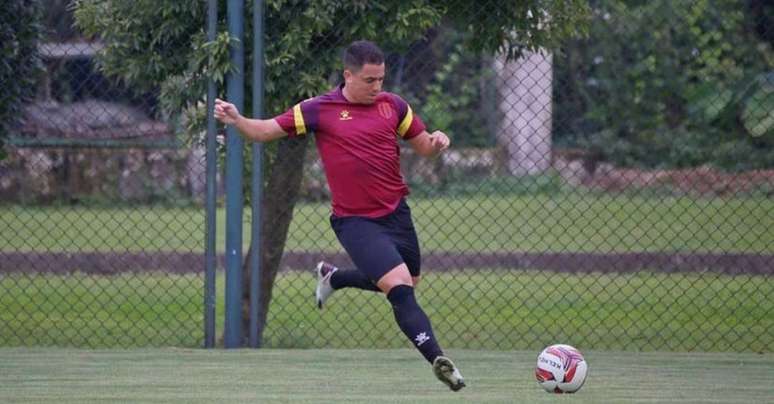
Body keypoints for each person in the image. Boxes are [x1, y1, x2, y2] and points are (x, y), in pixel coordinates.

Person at [213, 40, 465, 392]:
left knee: (408, 281)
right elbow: (266, 131)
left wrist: (437, 142)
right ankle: (439, 361)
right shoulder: (319, 109)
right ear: (348, 75)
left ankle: (335, 278)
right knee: (401, 290)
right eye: (369, 80)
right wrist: (237, 119)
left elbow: (423, 146)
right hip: (355, 221)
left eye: (381, 79)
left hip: (397, 213)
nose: (377, 87)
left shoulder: (394, 106)